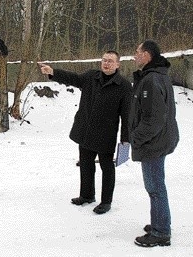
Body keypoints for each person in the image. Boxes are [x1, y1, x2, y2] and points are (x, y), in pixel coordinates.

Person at [38, 51, 131, 214]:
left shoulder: (123, 86)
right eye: (104, 60)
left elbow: (127, 115)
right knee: (86, 164)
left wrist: (125, 141)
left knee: (106, 168)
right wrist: (53, 72)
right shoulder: (91, 77)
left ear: (118, 65)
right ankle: (87, 195)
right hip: (86, 130)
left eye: (110, 61)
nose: (106, 63)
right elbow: (73, 78)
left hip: (105, 135)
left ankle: (106, 201)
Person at [130, 40, 179, 247]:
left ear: (147, 55)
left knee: (155, 187)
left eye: (137, 52)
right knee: (156, 186)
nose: (134, 56)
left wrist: (136, 138)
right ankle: (159, 222)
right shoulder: (157, 76)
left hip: (153, 143)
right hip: (159, 140)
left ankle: (161, 232)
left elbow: (154, 120)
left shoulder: (152, 80)